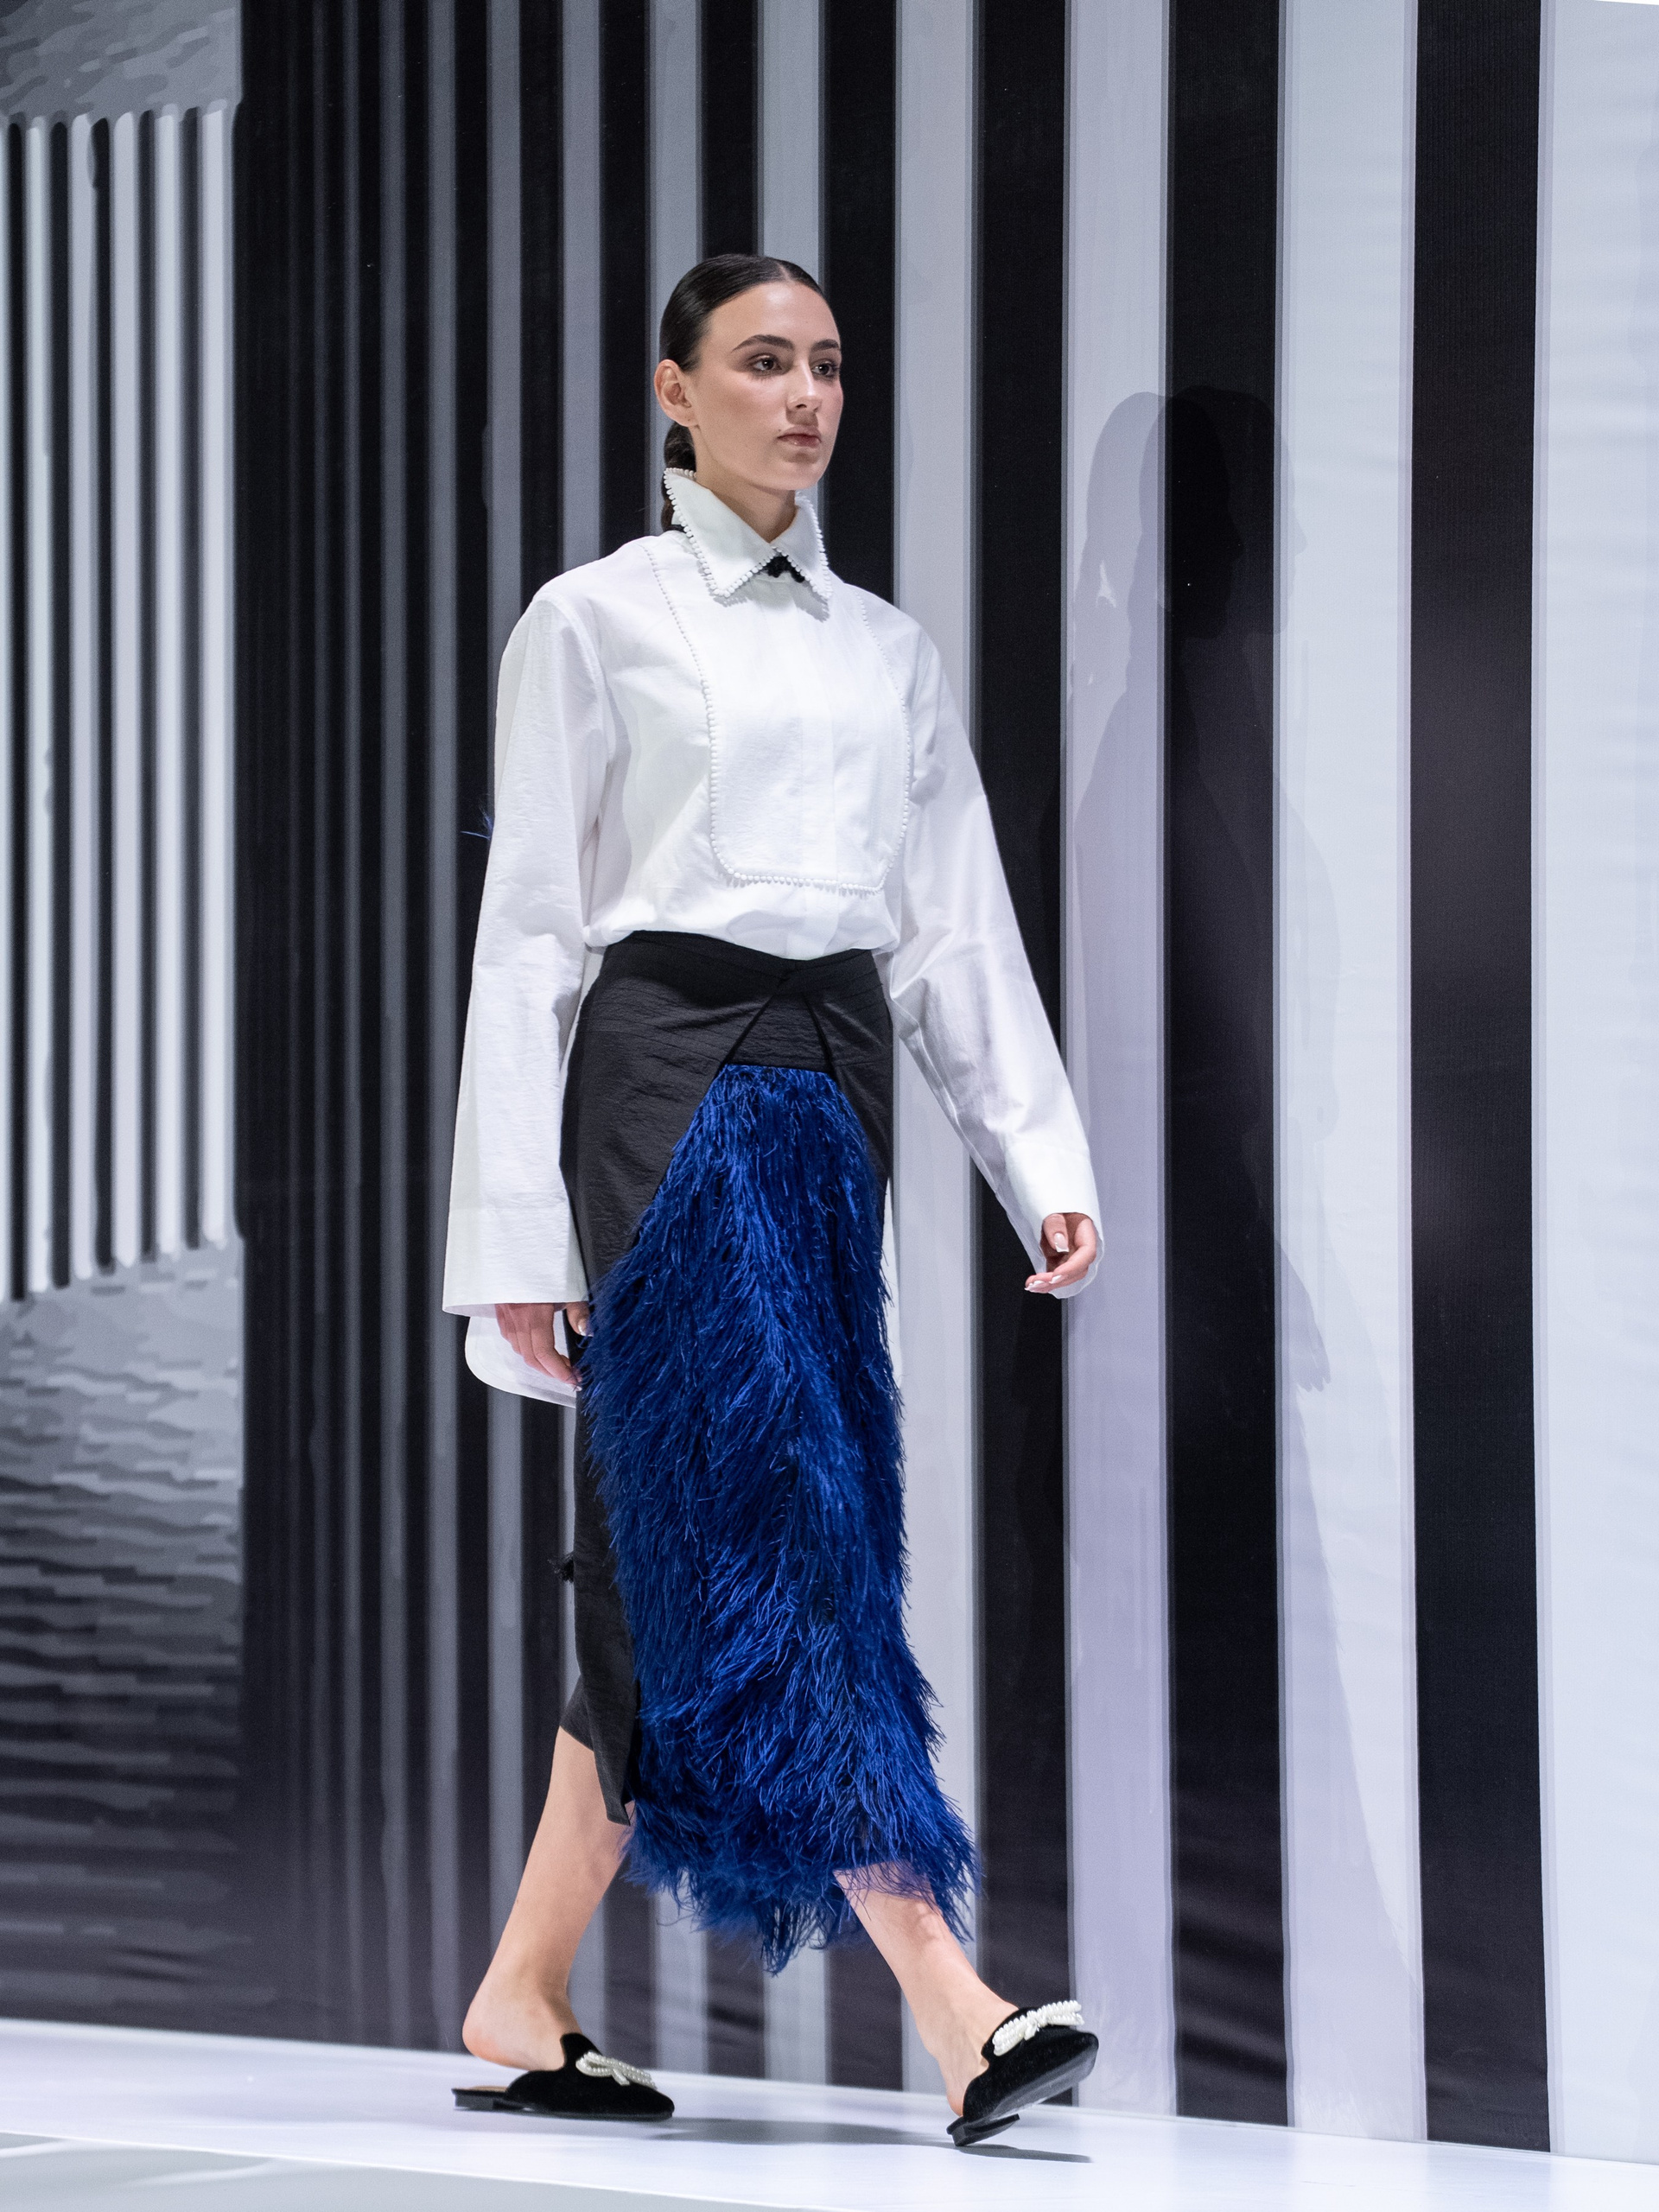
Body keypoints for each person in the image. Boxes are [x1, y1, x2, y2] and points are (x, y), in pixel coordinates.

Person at [443, 254, 1102, 2150]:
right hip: (664, 1095)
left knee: (683, 1557)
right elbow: (531, 935)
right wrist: (514, 1241)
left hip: (829, 1096)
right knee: (784, 1525)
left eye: (824, 364)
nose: (804, 396)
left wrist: (1040, 1162)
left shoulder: (887, 647)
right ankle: (955, 2001)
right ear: (675, 391)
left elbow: (951, 924)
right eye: (761, 362)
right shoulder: (593, 619)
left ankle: (521, 1991)